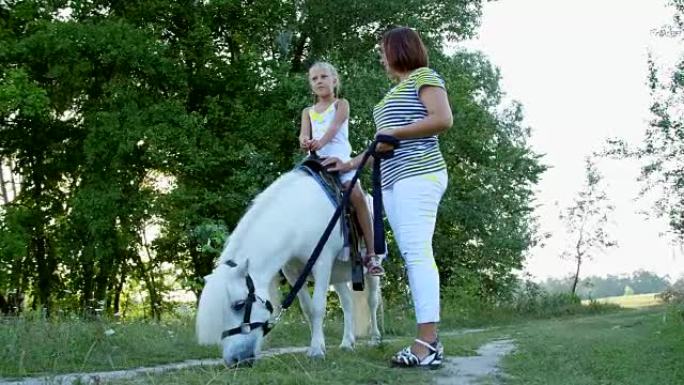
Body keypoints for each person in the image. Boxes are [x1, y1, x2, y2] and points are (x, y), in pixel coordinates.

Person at [323, 27, 452, 368]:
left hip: (420, 174)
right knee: (413, 254)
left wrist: (393, 132)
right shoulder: (393, 93)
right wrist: (349, 163)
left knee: (417, 254)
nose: (381, 57)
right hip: (394, 180)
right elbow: (380, 145)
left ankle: (427, 342)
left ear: (398, 49)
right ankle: (430, 340)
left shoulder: (424, 76)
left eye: (383, 50)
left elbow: (442, 119)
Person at [299, 61, 384, 276]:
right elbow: (303, 134)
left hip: (340, 162)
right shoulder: (307, 111)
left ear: (334, 80)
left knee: (356, 194)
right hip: (316, 164)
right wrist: (305, 142)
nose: (319, 81)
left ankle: (371, 253)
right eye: (314, 78)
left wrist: (321, 141)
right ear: (311, 85)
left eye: (323, 77)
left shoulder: (341, 104)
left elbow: (334, 127)